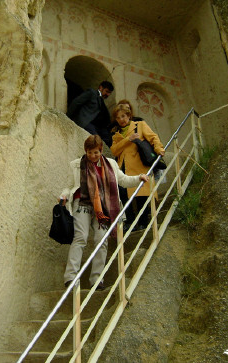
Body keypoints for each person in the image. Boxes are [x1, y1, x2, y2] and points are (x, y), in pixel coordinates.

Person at [59, 135, 149, 290]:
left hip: (104, 207)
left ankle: (97, 279)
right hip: (83, 204)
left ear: (101, 151)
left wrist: (138, 178)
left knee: (102, 240)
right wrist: (63, 196)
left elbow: (123, 180)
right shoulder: (76, 165)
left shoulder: (111, 164)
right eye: (90, 152)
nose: (93, 156)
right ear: (85, 151)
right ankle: (71, 277)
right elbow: (69, 186)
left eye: (96, 152)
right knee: (81, 237)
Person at [110, 103, 165, 231]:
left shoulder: (139, 125)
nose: (121, 120)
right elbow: (114, 151)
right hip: (122, 167)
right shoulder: (116, 133)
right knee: (122, 193)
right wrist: (128, 139)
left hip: (138, 164)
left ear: (129, 115)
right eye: (118, 118)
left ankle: (143, 222)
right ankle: (130, 221)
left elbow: (153, 137)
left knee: (141, 194)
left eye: (123, 116)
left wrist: (159, 149)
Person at [66, 81, 114, 147]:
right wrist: (68, 118)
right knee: (96, 140)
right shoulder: (92, 93)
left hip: (96, 126)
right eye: (107, 91)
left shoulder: (101, 101)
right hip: (86, 123)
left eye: (109, 93)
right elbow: (76, 102)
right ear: (100, 88)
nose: (108, 94)